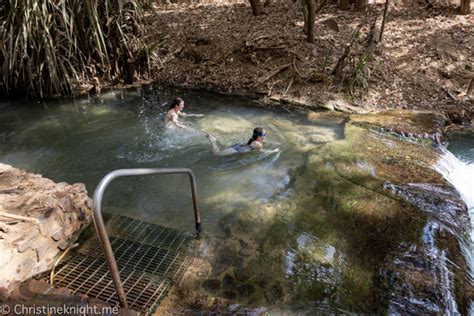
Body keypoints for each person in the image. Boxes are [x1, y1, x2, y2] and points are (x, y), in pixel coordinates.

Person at [207, 127, 279, 155]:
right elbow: (262, 151)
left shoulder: (253, 139)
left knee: (223, 148)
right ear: (259, 137)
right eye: (264, 135)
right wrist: (273, 151)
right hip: (239, 150)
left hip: (238, 146)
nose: (265, 136)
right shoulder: (258, 144)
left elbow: (261, 142)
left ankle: (215, 140)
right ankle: (212, 141)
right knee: (217, 154)